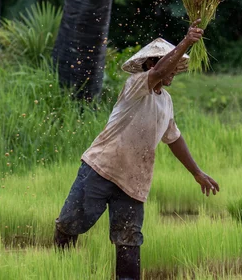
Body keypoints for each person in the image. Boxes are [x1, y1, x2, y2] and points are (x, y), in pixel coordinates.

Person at [54, 21, 219, 280]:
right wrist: (186, 41)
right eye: (170, 64)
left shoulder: (165, 101)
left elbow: (174, 138)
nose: (174, 70)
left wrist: (197, 173)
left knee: (129, 239)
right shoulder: (135, 85)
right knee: (70, 224)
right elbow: (155, 75)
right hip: (101, 168)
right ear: (153, 65)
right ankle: (58, 271)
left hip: (134, 181)